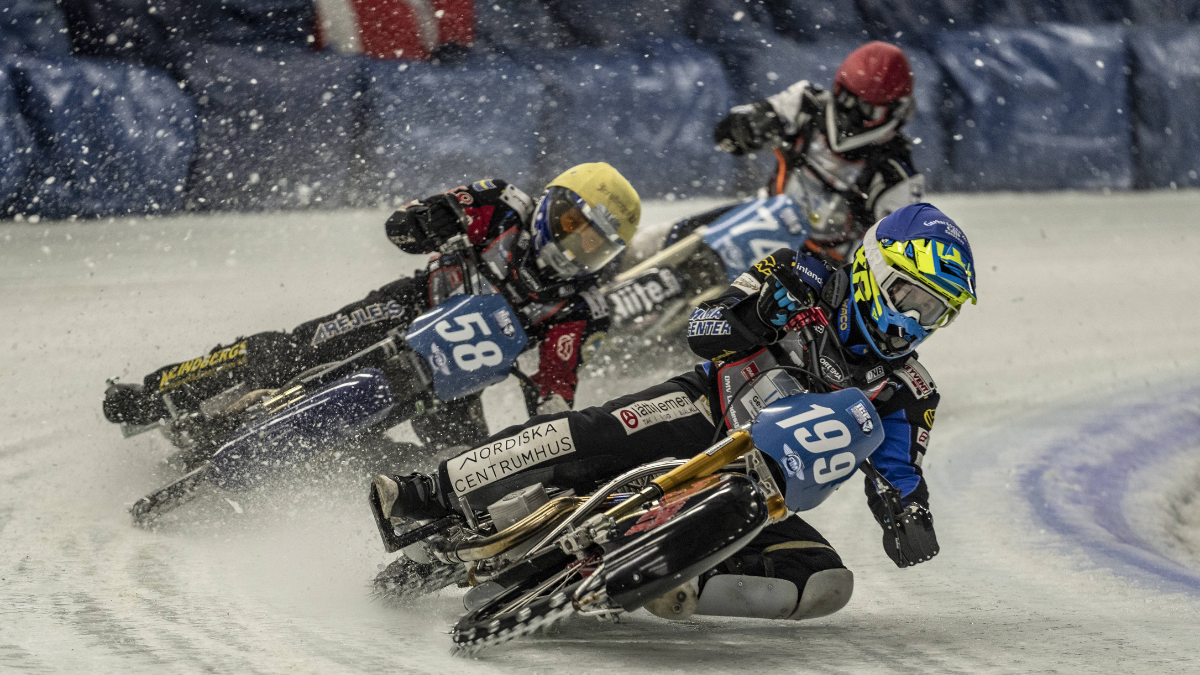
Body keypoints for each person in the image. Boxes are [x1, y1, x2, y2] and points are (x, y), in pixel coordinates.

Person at [371, 202, 976, 621]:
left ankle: (679, 580)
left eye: (936, 313)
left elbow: (900, 470)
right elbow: (704, 328)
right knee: (586, 434)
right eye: (912, 297)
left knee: (824, 582)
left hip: (758, 488)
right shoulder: (800, 272)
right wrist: (758, 315)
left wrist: (909, 514)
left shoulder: (910, 388)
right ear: (875, 268)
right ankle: (431, 490)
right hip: (700, 411)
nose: (915, 322)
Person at [102, 162, 640, 452]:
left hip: (451, 384)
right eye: (573, 225)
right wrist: (425, 219)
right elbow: (417, 218)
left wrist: (553, 426)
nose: (575, 247)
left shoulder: (575, 307)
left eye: (594, 244)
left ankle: (325, 477)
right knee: (293, 349)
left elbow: (556, 386)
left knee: (456, 467)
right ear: (555, 203)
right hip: (405, 309)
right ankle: (158, 392)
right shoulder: (502, 205)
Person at [702, 41, 925, 265]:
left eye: (867, 111)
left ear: (895, 110)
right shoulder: (806, 103)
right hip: (761, 214)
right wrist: (747, 127)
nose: (850, 117)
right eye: (845, 99)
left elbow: (894, 257)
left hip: (821, 262)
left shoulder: (897, 174)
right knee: (674, 233)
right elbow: (726, 137)